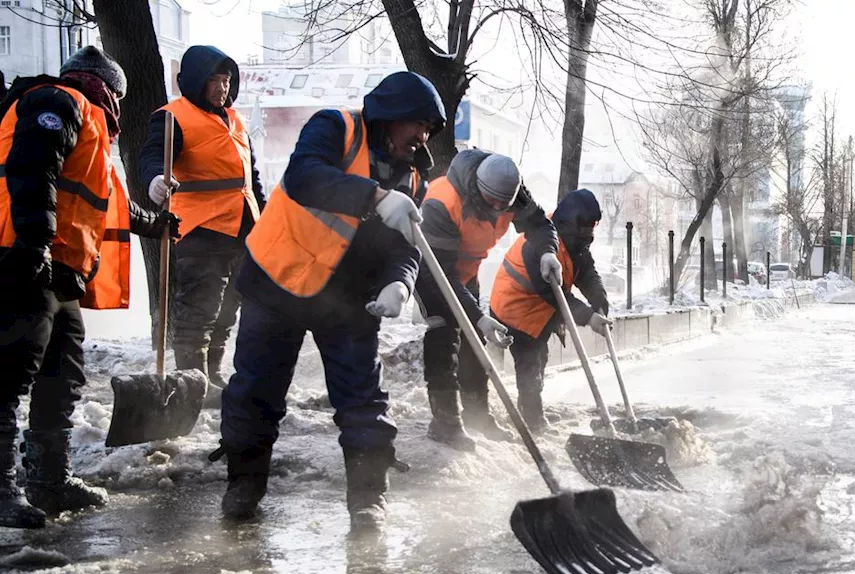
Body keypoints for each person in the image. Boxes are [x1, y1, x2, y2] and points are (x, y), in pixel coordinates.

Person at [217, 71, 445, 532]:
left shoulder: (415, 175)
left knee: (363, 400)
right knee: (255, 392)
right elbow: (304, 177)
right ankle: (243, 485)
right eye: (417, 124)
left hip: (347, 301)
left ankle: (367, 498)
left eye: (428, 128)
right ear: (390, 115)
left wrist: (399, 283)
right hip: (277, 282)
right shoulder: (336, 127)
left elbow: (405, 245)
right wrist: (376, 196)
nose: (423, 136)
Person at [0, 47, 178, 528]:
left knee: (63, 373)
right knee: (11, 374)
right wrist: (35, 241)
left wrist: (155, 224)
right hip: (23, 257)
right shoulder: (58, 103)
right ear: (107, 88)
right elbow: (33, 170)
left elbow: (109, 204)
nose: (118, 105)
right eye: (118, 96)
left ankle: (48, 479)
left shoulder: (94, 130)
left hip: (60, 270)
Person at [139, 46, 266, 390]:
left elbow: (250, 178)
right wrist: (154, 181)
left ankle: (211, 375)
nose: (222, 88)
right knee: (199, 311)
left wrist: (265, 217)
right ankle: (191, 383)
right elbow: (152, 155)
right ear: (196, 81)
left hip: (241, 227)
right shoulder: (171, 117)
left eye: (226, 81)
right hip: (201, 229)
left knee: (226, 310)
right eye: (214, 80)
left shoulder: (236, 119)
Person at [415, 150, 557, 451]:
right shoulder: (442, 202)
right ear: (477, 189)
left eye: (502, 205)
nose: (496, 210)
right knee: (445, 334)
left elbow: (540, 225)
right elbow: (440, 273)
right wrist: (477, 315)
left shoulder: (512, 194)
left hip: (466, 271)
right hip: (431, 270)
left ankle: (478, 414)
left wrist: (547, 251)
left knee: (474, 340)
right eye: (490, 202)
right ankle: (446, 423)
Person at [489, 189, 611, 432]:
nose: (590, 232)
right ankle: (533, 422)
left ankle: (529, 409)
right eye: (585, 226)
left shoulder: (576, 240)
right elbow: (555, 297)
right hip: (514, 310)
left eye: (593, 227)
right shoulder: (538, 245)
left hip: (539, 311)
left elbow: (587, 273)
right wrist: (588, 318)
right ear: (570, 222)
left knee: (539, 359)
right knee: (530, 365)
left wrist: (600, 302)